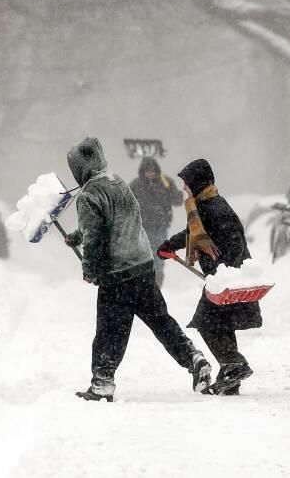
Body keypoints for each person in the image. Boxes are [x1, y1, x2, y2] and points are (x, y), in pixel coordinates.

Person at [64, 137, 212, 402]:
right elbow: (113, 221)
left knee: (109, 331)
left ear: (80, 168)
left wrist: (90, 269)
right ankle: (195, 359)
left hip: (117, 274)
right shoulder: (117, 182)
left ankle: (102, 383)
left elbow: (96, 234)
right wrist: (78, 236)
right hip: (142, 268)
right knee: (161, 322)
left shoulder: (89, 195)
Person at [157, 159, 262, 396]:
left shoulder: (215, 208)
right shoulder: (205, 205)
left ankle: (234, 365)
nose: (184, 188)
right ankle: (231, 377)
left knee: (207, 322)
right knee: (221, 324)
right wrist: (170, 245)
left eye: (187, 183)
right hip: (223, 277)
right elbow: (194, 233)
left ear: (198, 183)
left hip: (228, 278)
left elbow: (235, 242)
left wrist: (224, 271)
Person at [129, 156, 184, 286]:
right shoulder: (136, 185)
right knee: (143, 258)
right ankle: (144, 285)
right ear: (142, 171)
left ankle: (157, 285)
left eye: (153, 171)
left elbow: (178, 201)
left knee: (159, 257)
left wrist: (176, 194)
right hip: (142, 229)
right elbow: (127, 204)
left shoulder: (165, 182)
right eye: (147, 171)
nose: (150, 173)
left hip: (160, 228)